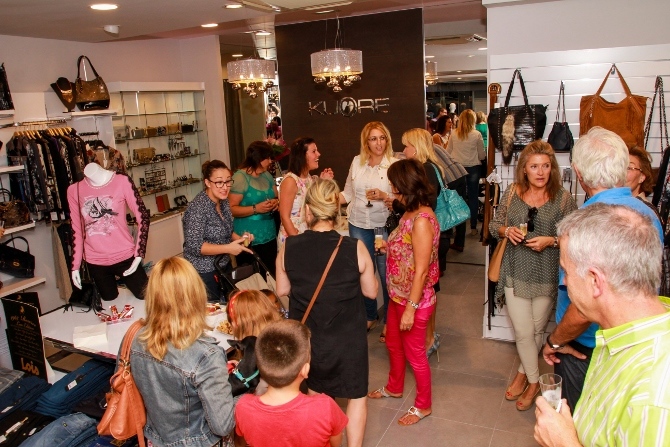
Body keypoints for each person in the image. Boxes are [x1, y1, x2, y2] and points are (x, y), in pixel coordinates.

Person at [541, 127, 664, 411]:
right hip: (634, 342)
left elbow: (584, 307)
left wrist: (556, 341)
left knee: (579, 422)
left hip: (584, 347)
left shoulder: (585, 225)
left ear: (578, 173)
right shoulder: (646, 214)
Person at [534, 203, 670, 447]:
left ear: (595, 281)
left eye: (566, 272)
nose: (565, 282)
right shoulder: (619, 336)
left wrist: (564, 443)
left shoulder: (654, 401)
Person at [276, 178, 378, 447]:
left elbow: (282, 289)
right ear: (335, 212)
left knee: (317, 396)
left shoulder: (289, 246)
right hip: (348, 337)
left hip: (311, 339)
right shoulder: (354, 247)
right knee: (356, 396)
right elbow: (371, 292)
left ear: (308, 211)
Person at [488, 141, 577, 411]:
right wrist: (507, 231)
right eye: (534, 166)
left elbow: (573, 237)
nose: (540, 172)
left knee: (536, 331)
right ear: (524, 169)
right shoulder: (513, 192)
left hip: (547, 273)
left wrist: (551, 241)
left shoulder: (563, 198)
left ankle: (522, 374)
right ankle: (535, 381)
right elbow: (494, 225)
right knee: (524, 331)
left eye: (546, 166)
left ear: (552, 168)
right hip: (514, 270)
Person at [130, 257, 235, 447]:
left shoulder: (135, 338)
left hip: (154, 439)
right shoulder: (207, 356)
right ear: (196, 294)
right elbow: (223, 426)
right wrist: (245, 398)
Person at [368, 159, 439, 427]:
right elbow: (411, 250)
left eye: (392, 182)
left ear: (402, 184)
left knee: (415, 356)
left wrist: (411, 308)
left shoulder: (421, 220)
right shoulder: (410, 212)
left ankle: (423, 405)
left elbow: (422, 271)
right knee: (393, 344)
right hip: (398, 295)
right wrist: (391, 248)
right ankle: (394, 387)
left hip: (413, 301)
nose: (390, 186)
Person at [234, 319, 348, 447]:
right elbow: (336, 443)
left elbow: (241, 442)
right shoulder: (325, 407)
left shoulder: (243, 407)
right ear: (305, 370)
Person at [340, 121, 398, 336]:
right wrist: (326, 198)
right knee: (363, 272)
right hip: (358, 224)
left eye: (382, 138)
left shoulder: (394, 164)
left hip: (382, 226)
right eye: (373, 139)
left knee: (385, 274)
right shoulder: (357, 162)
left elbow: (401, 198)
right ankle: (370, 316)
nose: (379, 143)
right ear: (366, 142)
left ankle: (390, 321)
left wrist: (384, 196)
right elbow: (347, 193)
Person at [400, 128, 451, 358]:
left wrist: (394, 201)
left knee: (427, 290)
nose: (404, 150)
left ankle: (429, 338)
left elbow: (423, 205)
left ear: (416, 146)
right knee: (429, 289)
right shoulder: (428, 167)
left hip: (427, 237)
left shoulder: (426, 169)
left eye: (407, 145)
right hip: (429, 236)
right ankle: (429, 336)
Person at [67, 162, 149, 300]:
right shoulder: (74, 190)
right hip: (95, 261)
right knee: (110, 303)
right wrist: (75, 266)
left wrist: (139, 253)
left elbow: (143, 218)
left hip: (125, 256)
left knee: (147, 297)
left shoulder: (121, 181)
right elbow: (77, 230)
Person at [183, 160, 253, 300]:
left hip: (223, 264)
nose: (225, 187)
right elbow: (195, 246)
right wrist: (228, 248)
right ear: (207, 183)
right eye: (219, 182)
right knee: (213, 308)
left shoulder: (224, 202)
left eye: (228, 181)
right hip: (204, 271)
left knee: (230, 302)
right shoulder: (198, 208)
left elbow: (227, 231)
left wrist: (240, 239)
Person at [229, 141, 280, 276]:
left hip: (269, 233)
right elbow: (231, 209)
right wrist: (255, 209)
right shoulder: (240, 178)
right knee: (252, 275)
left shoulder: (267, 175)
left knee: (271, 273)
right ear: (258, 158)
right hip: (248, 236)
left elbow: (276, 196)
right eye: (268, 158)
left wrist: (275, 202)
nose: (270, 161)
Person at [277, 137, 334, 251]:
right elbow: (284, 217)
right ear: (302, 156)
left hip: (307, 234)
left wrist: (323, 182)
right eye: (314, 151)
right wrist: (298, 242)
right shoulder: (290, 181)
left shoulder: (309, 178)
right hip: (293, 237)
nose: (318, 154)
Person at [446, 109, 485, 236]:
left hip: (457, 169)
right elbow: (482, 155)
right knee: (473, 197)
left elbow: (448, 151)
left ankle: (457, 229)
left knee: (457, 198)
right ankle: (473, 227)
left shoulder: (454, 134)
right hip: (473, 167)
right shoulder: (477, 134)